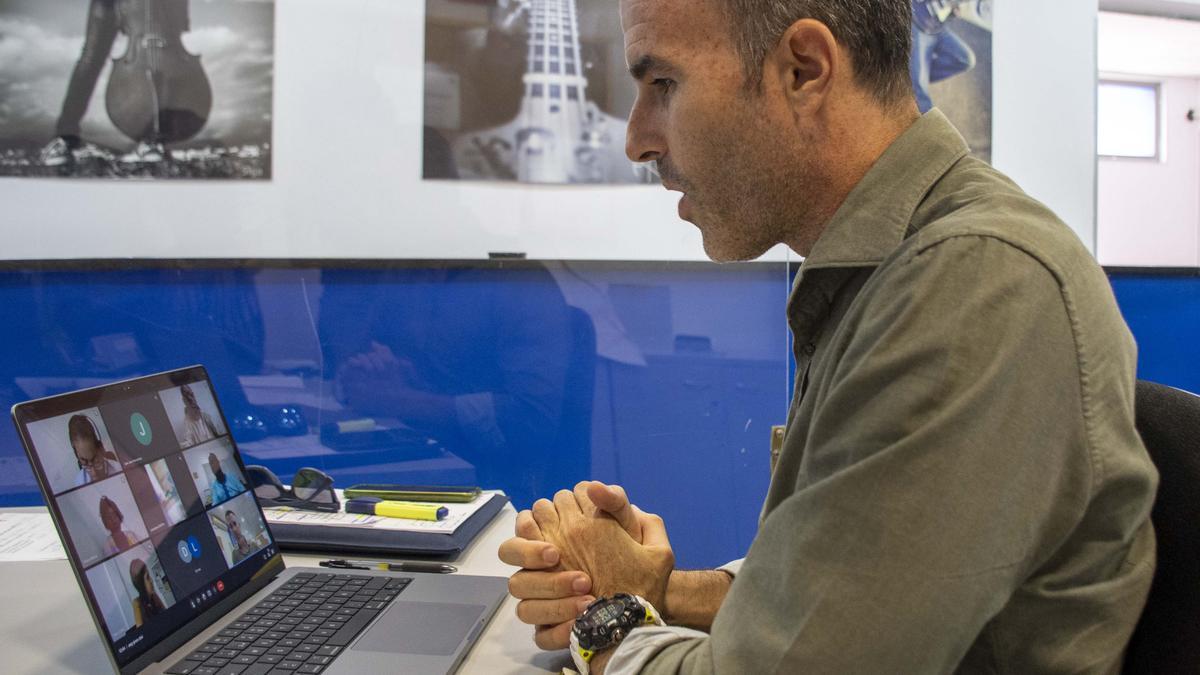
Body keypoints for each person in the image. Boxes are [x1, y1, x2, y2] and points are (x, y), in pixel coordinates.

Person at [498, 1, 1157, 673]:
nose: (637, 139)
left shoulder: (975, 284)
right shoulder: (894, 270)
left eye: (663, 84)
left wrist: (608, 619)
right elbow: (845, 578)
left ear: (803, 71)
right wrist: (658, 591)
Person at [909, 0, 981, 113]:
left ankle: (913, 80)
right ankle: (931, 128)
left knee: (966, 59)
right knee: (921, 93)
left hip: (938, 28)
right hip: (919, 25)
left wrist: (952, 11)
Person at [70, 414, 122, 487]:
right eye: (85, 464)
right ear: (77, 455)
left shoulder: (119, 468)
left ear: (101, 448)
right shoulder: (79, 481)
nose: (94, 474)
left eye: (96, 462)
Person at [128, 557, 167, 626]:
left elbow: (167, 615)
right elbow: (142, 632)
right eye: (148, 577)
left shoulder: (154, 596)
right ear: (141, 583)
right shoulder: (137, 603)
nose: (152, 581)